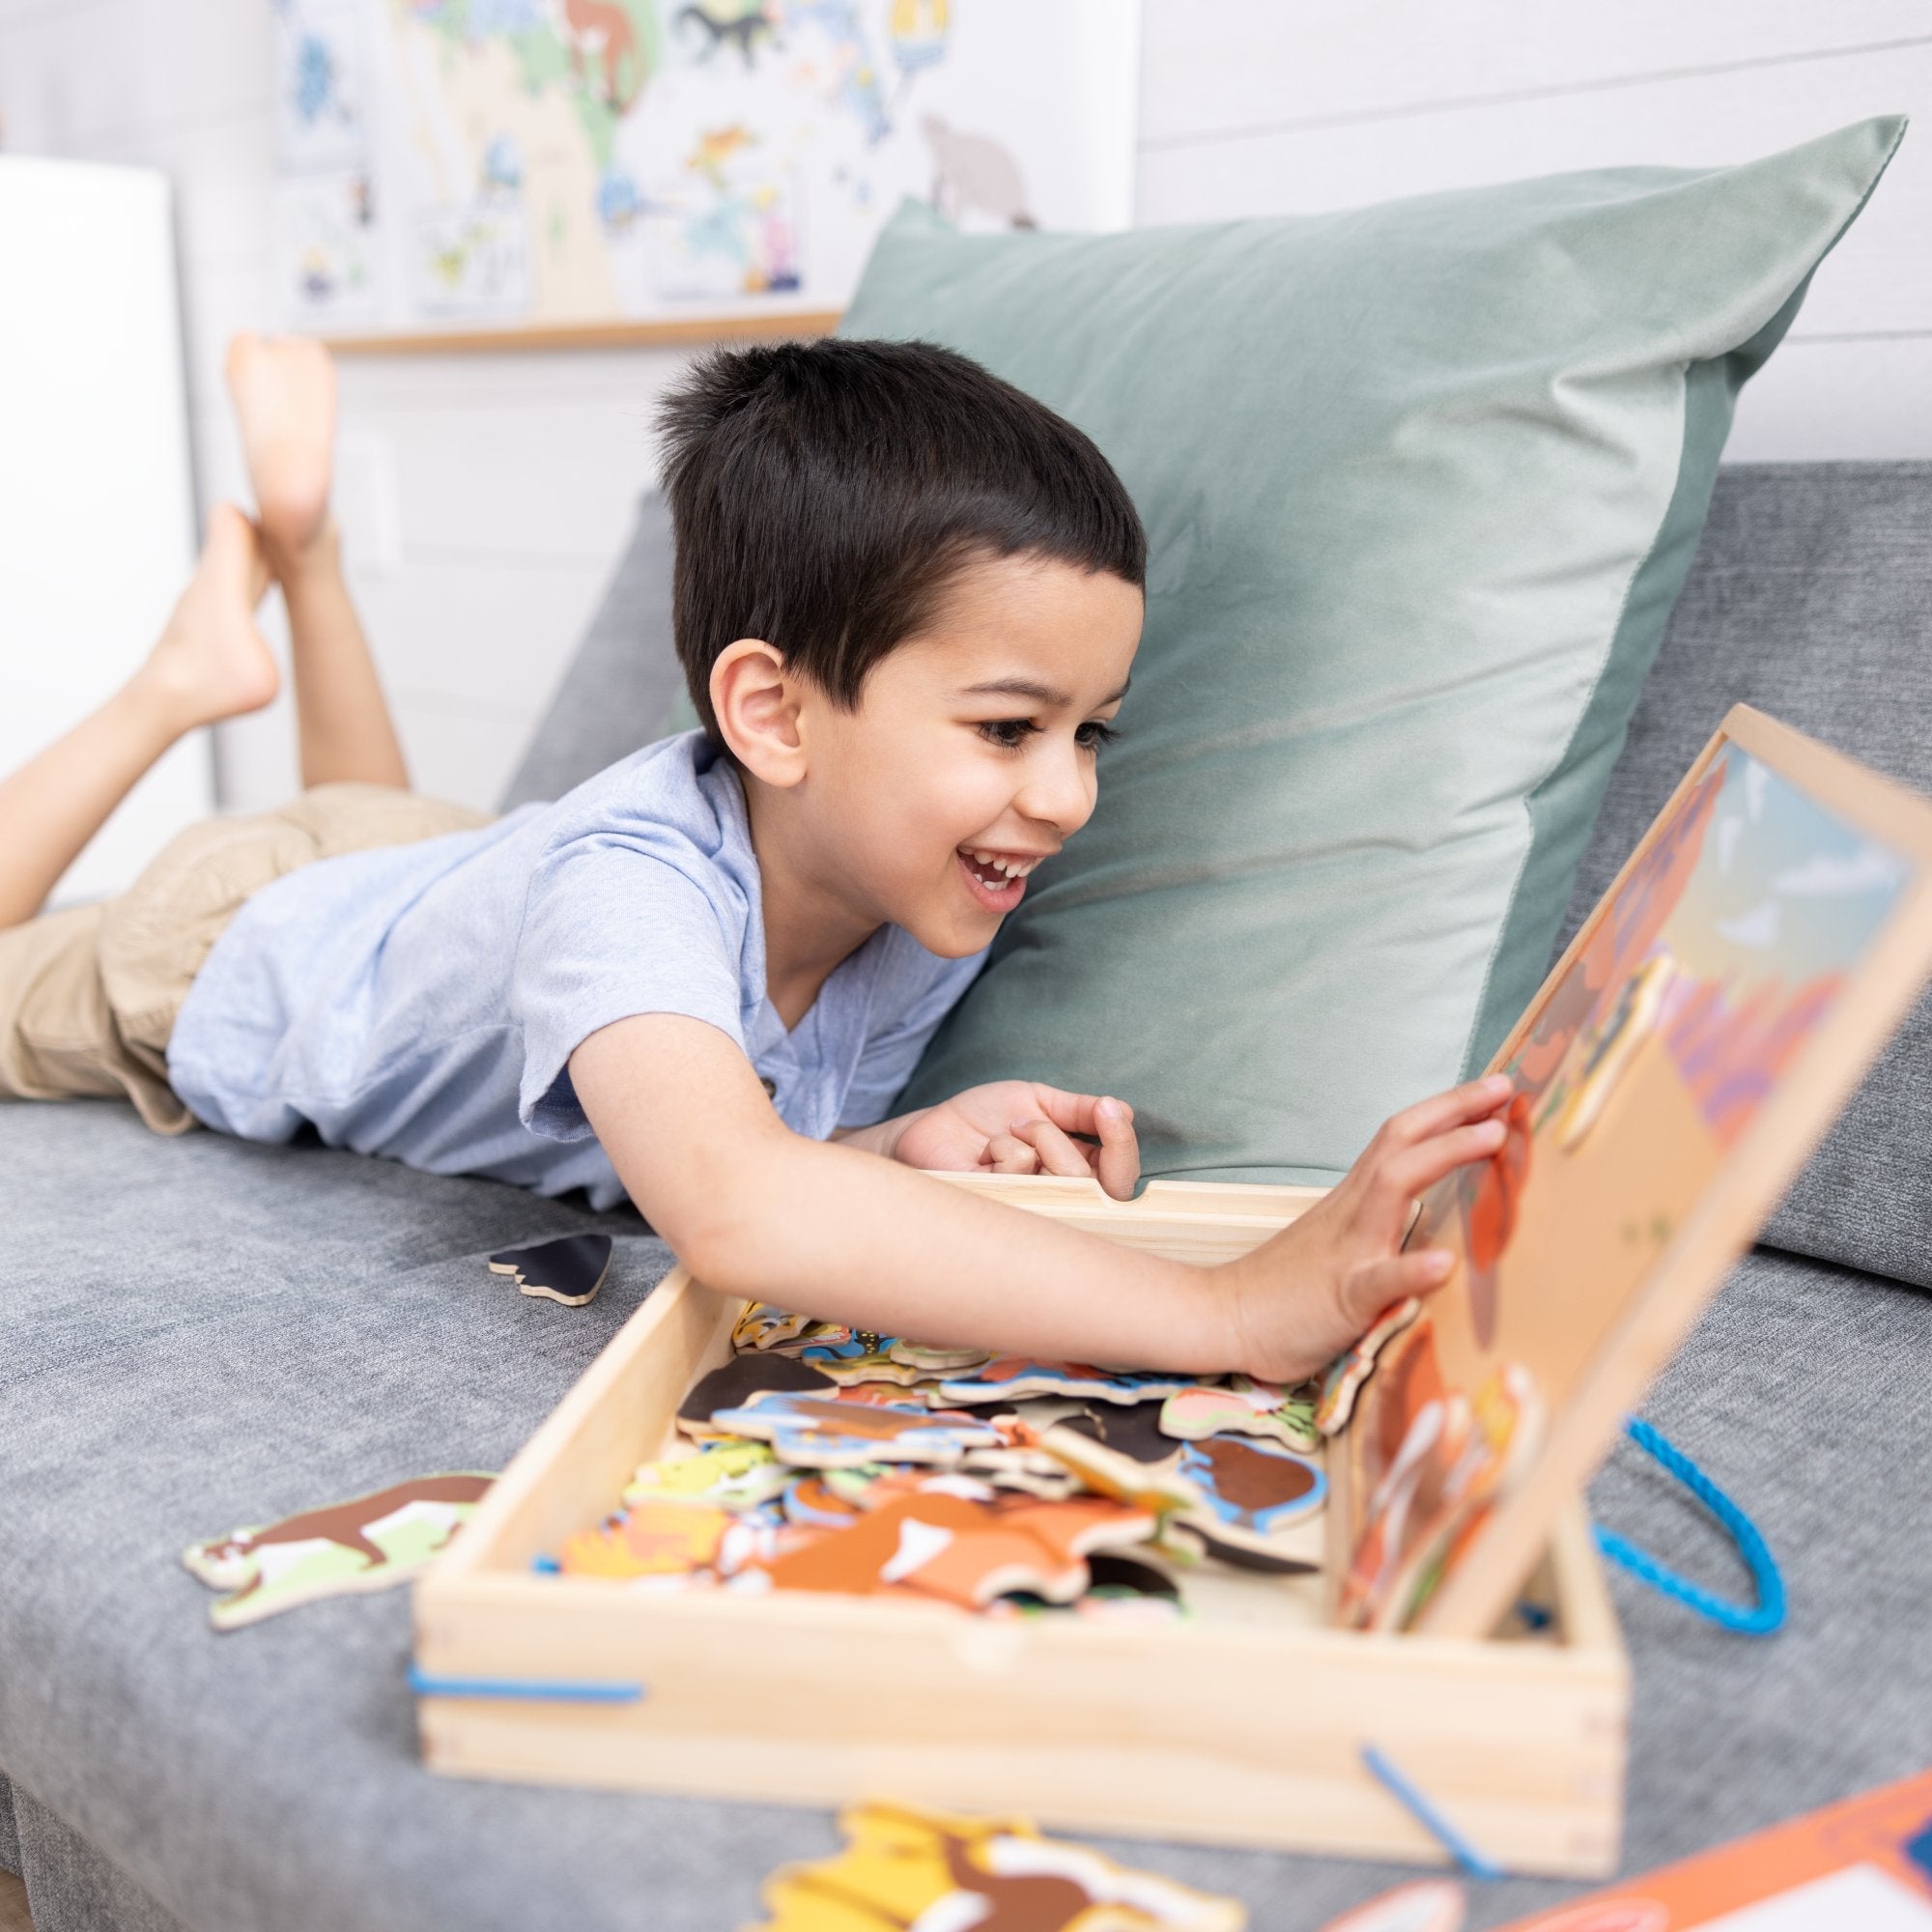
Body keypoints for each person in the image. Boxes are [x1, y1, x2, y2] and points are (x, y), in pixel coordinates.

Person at [0, 332, 1511, 1380]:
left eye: (1091, 734)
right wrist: (1231, 1305)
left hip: (430, 882)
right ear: (772, 715)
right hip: (227, 943)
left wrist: (894, 1146)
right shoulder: (630, 890)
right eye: (1005, 728)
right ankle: (185, 681)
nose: (1063, 797)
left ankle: (308, 555)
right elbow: (728, 1203)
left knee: (377, 841)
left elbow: (745, 1148)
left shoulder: (923, 887)